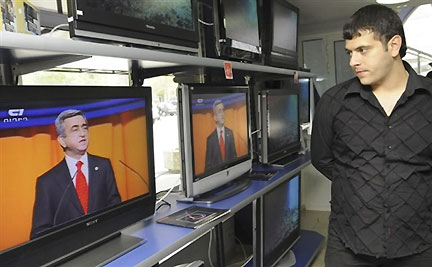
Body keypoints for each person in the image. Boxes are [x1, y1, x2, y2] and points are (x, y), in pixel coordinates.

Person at [311, 4, 432, 267]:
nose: (353, 61)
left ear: (394, 45)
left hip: (421, 243)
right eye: (350, 52)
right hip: (348, 244)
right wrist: (361, 180)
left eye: (363, 50)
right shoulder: (333, 101)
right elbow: (322, 159)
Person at [30, 110, 121, 239]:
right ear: (62, 141)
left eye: (84, 128)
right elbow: (39, 233)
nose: (83, 134)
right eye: (75, 129)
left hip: (105, 239)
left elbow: (115, 207)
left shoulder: (104, 166)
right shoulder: (47, 182)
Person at [204, 100, 237, 172]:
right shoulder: (210, 140)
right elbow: (208, 166)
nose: (222, 114)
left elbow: (234, 158)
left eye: (223, 110)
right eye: (219, 111)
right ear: (215, 117)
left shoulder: (230, 133)